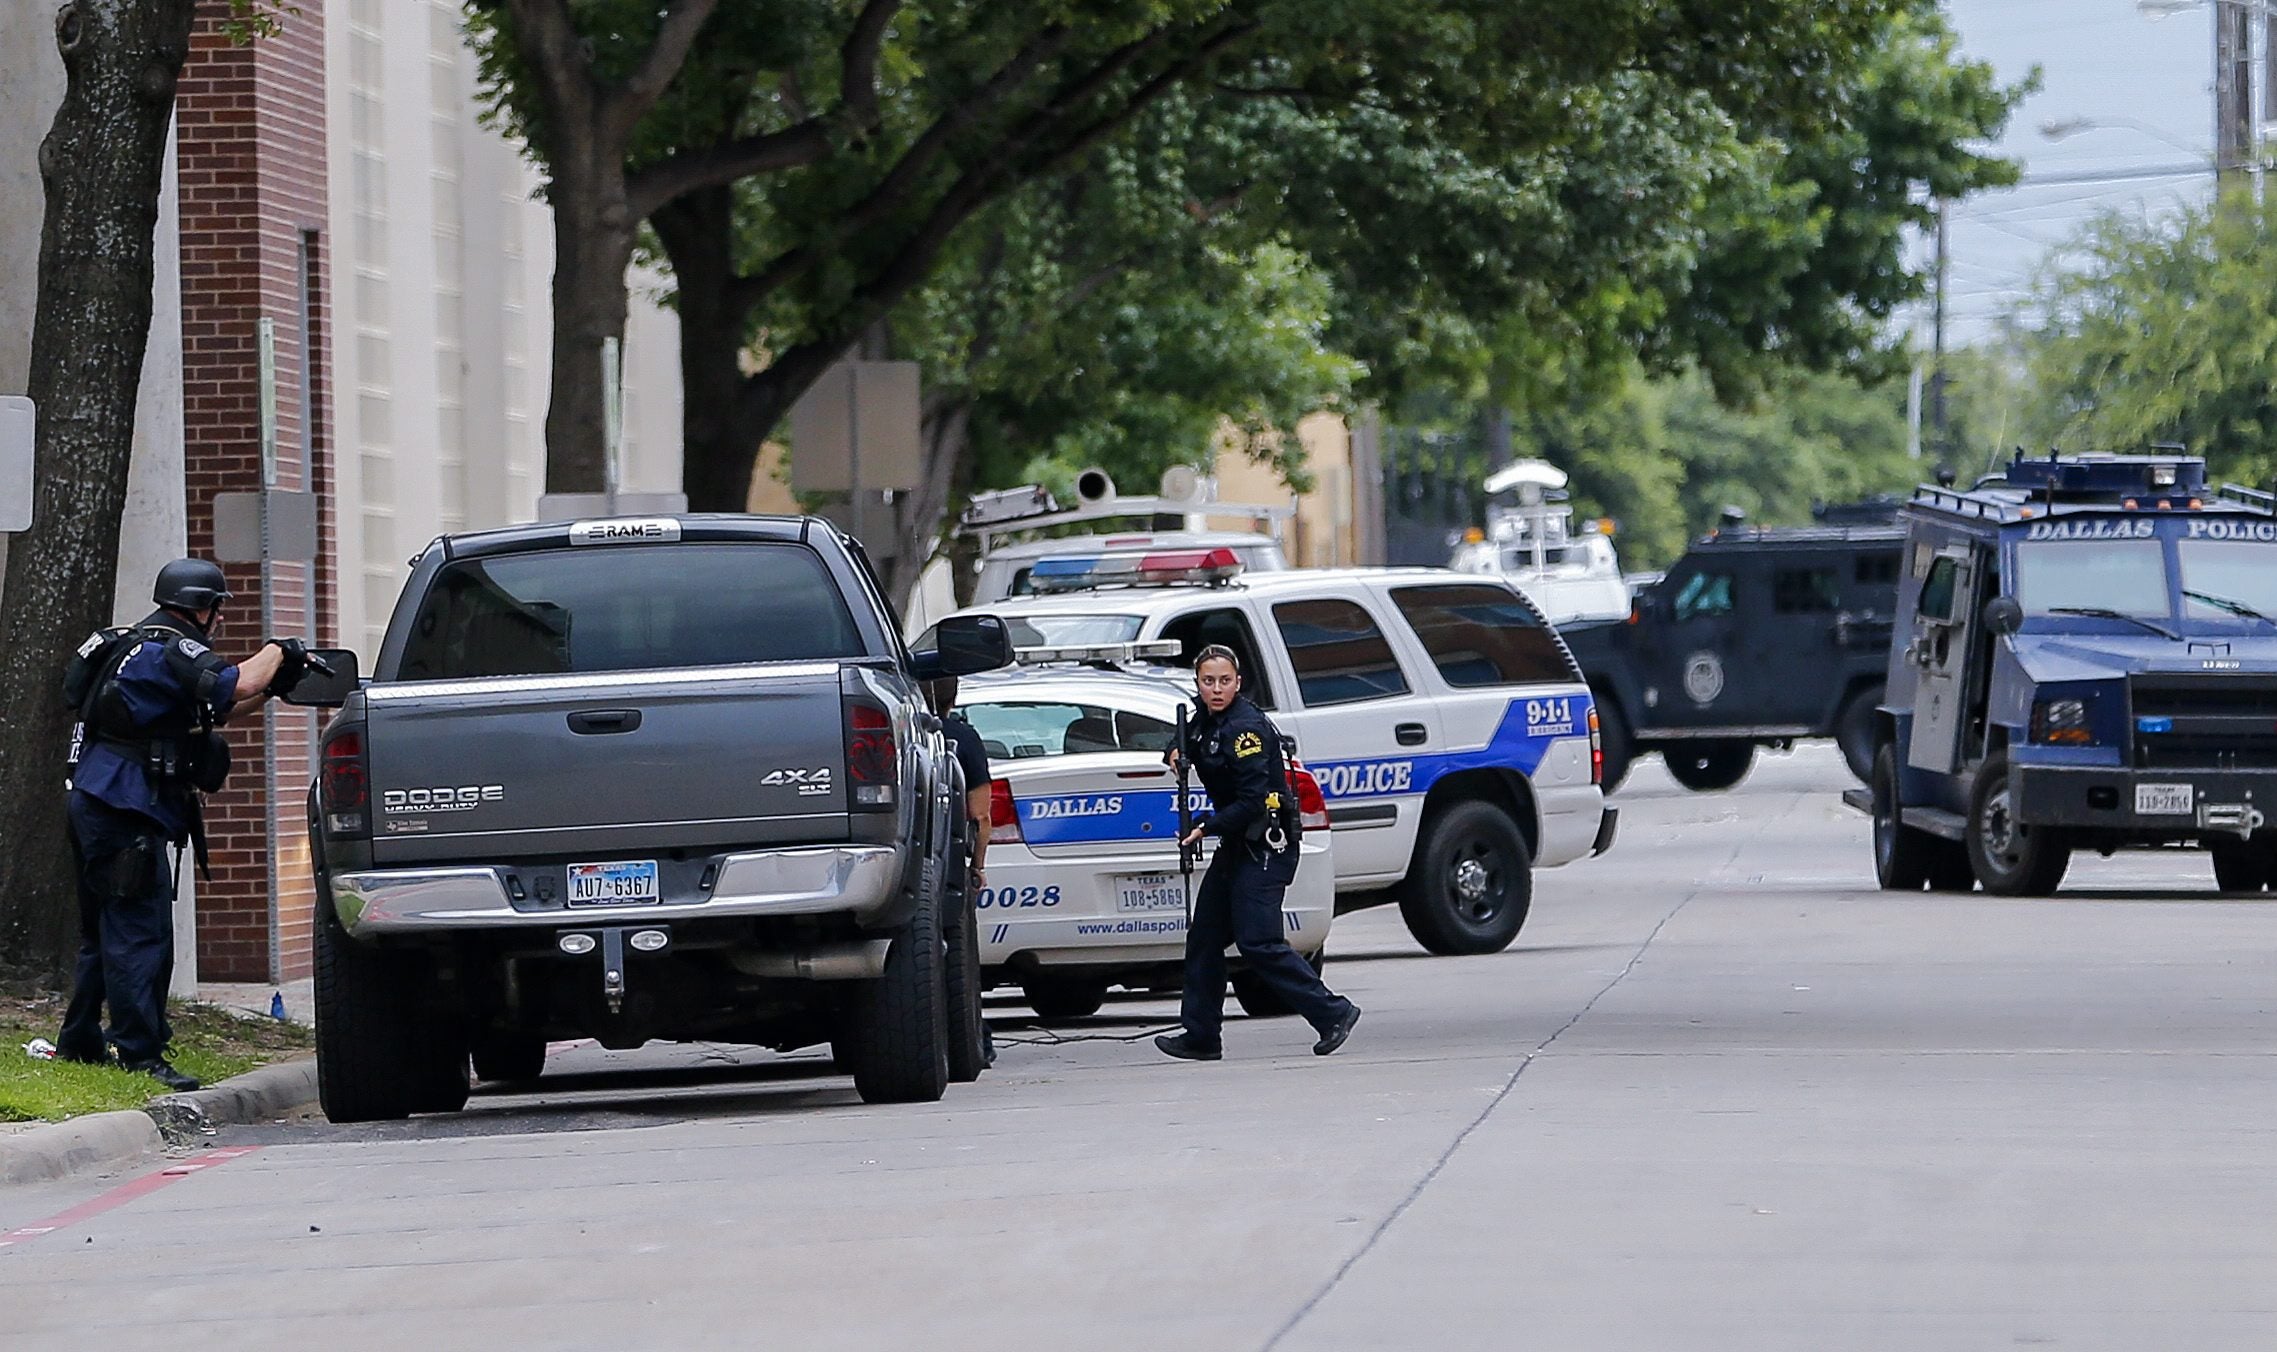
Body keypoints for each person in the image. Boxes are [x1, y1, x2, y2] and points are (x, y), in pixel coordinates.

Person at [56, 558, 303, 1091]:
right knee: (139, 933)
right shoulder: (172, 647)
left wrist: (276, 686)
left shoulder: (135, 644)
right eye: (217, 608)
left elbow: (219, 708)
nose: (219, 619)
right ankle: (140, 1055)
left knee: (105, 928)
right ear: (200, 606)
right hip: (125, 808)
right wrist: (279, 650)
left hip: (96, 798)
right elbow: (232, 683)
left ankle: (78, 1040)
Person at [1156, 645, 1360, 1062]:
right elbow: (1187, 744)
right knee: (1206, 938)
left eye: (1224, 681)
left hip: (1266, 844)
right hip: (1237, 844)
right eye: (1208, 681)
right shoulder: (1205, 720)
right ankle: (1201, 1036)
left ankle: (1333, 1012)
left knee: (1258, 942)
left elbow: (1253, 800)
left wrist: (1206, 827)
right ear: (1197, 683)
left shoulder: (1245, 729)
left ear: (1238, 682)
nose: (1216, 689)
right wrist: (1174, 752)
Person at [927, 675, 996, 1068]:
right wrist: (978, 865)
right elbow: (981, 814)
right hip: (952, 862)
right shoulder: (964, 739)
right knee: (959, 961)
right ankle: (973, 1042)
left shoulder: (911, 735)